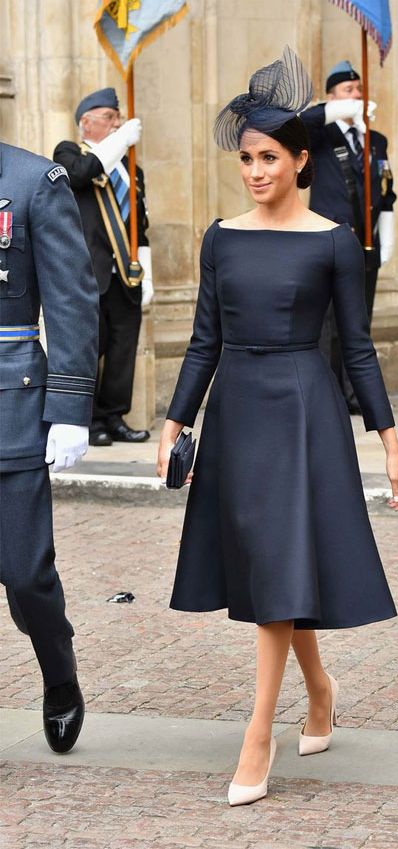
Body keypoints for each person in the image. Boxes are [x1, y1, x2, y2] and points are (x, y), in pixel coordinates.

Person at [157, 47, 398, 807]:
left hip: (304, 410)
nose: (255, 170)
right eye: (245, 158)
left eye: (269, 156)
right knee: (273, 563)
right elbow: (204, 338)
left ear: (301, 159)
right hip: (237, 409)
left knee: (276, 563)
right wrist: (173, 422)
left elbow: (358, 349)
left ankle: (258, 731)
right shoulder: (220, 236)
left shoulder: (335, 240)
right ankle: (321, 688)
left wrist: (389, 440)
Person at [0, 141, 99, 752]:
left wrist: (68, 408)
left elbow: (71, 298)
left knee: (25, 575)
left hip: (10, 401)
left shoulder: (36, 180)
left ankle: (58, 672)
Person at [53, 87, 153, 447]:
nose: (117, 123)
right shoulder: (69, 152)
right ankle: (88, 419)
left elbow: (139, 223)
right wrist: (122, 140)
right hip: (88, 275)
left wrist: (147, 271)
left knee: (123, 349)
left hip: (126, 274)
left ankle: (114, 417)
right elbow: (81, 175)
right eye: (110, 118)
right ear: (86, 123)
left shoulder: (130, 169)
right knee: (88, 350)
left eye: (118, 118)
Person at [301, 60, 396, 412]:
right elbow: (299, 123)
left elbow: (386, 189)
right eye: (347, 91)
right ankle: (328, 394)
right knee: (326, 324)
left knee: (358, 322)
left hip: (365, 244)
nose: (356, 96)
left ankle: (353, 394)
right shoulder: (321, 136)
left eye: (359, 90)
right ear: (332, 97)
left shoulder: (376, 140)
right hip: (328, 243)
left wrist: (387, 234)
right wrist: (337, 110)